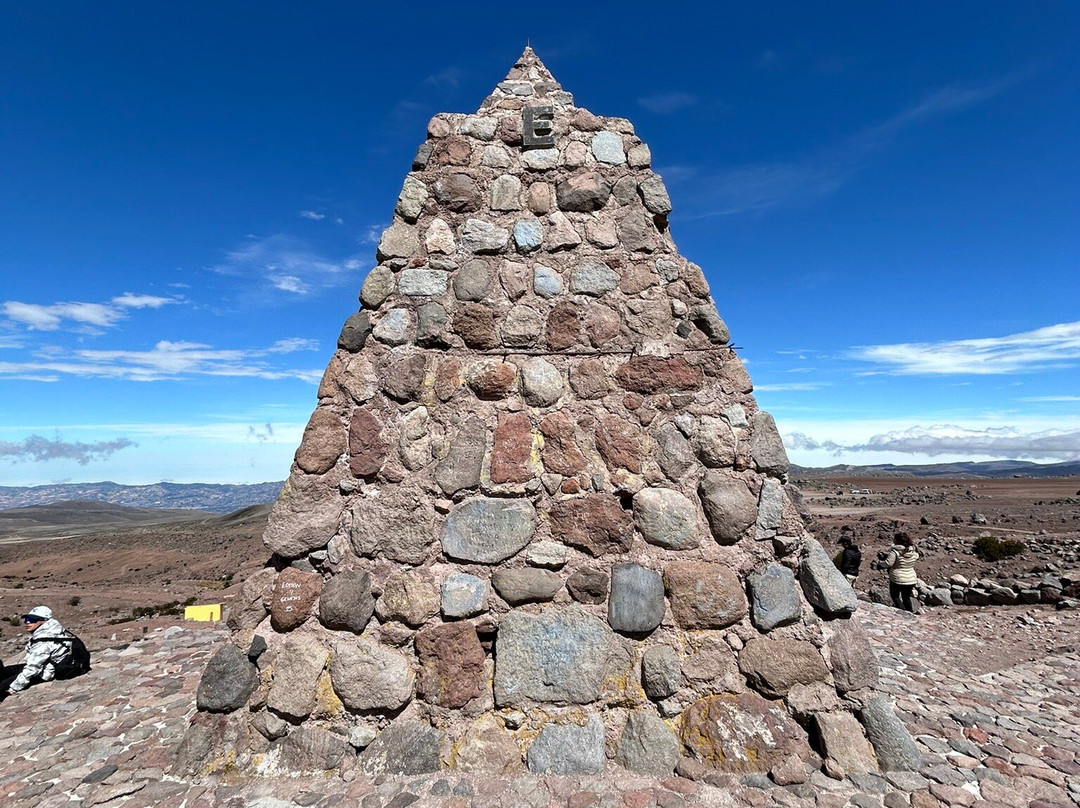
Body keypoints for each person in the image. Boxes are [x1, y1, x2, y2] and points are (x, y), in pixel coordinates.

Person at [0, 606, 73, 698]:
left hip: (44, 673)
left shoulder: (44, 641)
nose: (27, 622)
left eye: (33, 620)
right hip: (43, 667)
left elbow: (32, 669)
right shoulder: (50, 630)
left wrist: (13, 688)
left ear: (44, 620)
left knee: (2, 687)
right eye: (27, 619)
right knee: (4, 671)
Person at [883, 533, 920, 612]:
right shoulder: (913, 550)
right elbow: (917, 557)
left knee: (895, 596)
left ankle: (903, 613)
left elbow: (888, 563)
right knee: (906, 597)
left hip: (897, 578)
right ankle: (910, 613)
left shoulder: (895, 551)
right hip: (911, 578)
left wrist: (880, 563)